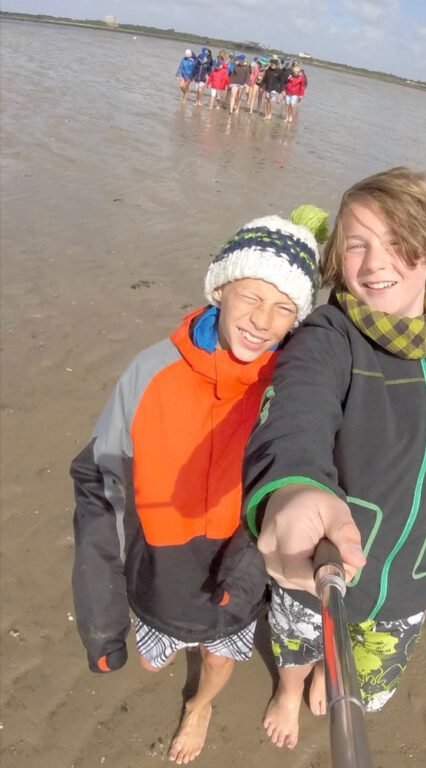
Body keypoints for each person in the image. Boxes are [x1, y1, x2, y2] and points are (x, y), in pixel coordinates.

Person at [242, 167, 426, 749]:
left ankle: (329, 680)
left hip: (412, 573)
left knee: (366, 679)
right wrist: (293, 487)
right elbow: (294, 418)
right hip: (324, 561)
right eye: (357, 243)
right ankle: (289, 688)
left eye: (397, 240)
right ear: (338, 256)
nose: (375, 262)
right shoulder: (328, 335)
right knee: (295, 640)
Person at [71, 207, 328, 764]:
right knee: (150, 653)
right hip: (158, 567)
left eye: (284, 308)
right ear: (221, 289)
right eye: (252, 297)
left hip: (238, 574)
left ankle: (199, 706)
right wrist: (103, 622)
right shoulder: (151, 371)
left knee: (216, 659)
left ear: (296, 322)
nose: (263, 320)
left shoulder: (294, 391)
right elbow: (100, 488)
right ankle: (163, 639)